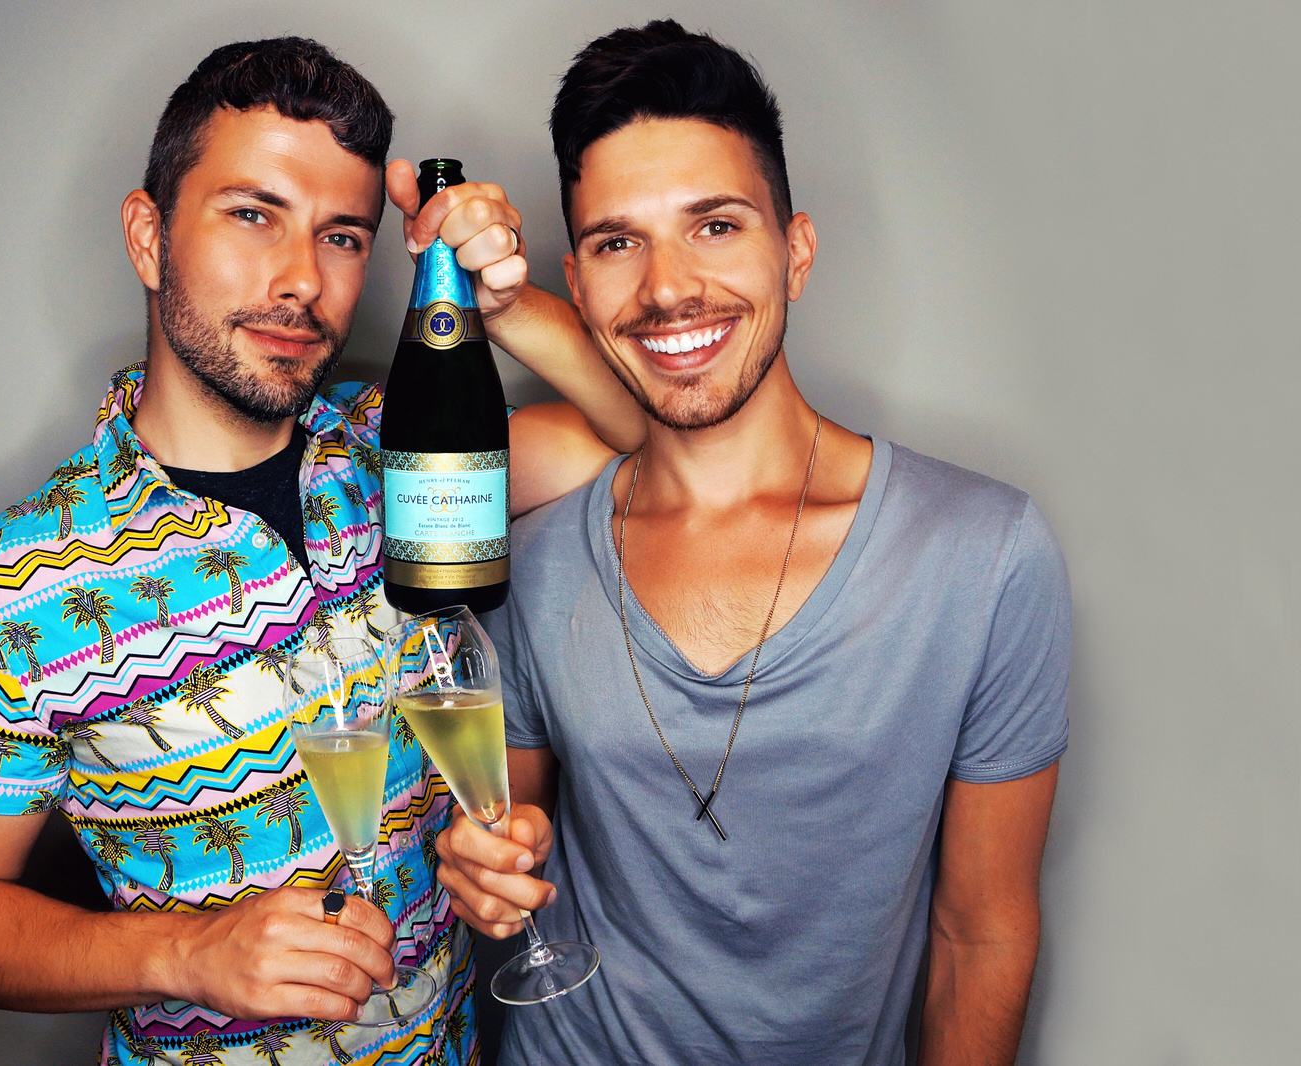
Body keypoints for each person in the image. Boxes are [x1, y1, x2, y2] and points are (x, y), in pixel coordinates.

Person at [0, 37, 634, 1066]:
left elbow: (637, 431)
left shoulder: (399, 450)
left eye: (341, 235)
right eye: (252, 214)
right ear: (148, 237)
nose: (301, 281)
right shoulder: (4, 592)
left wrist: (501, 301)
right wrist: (187, 953)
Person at [433, 20, 1070, 1066]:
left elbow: (981, 933)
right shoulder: (538, 553)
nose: (667, 286)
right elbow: (507, 838)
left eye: (716, 225)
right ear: (578, 285)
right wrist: (483, 866)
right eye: (617, 242)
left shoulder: (982, 556)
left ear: (796, 251)